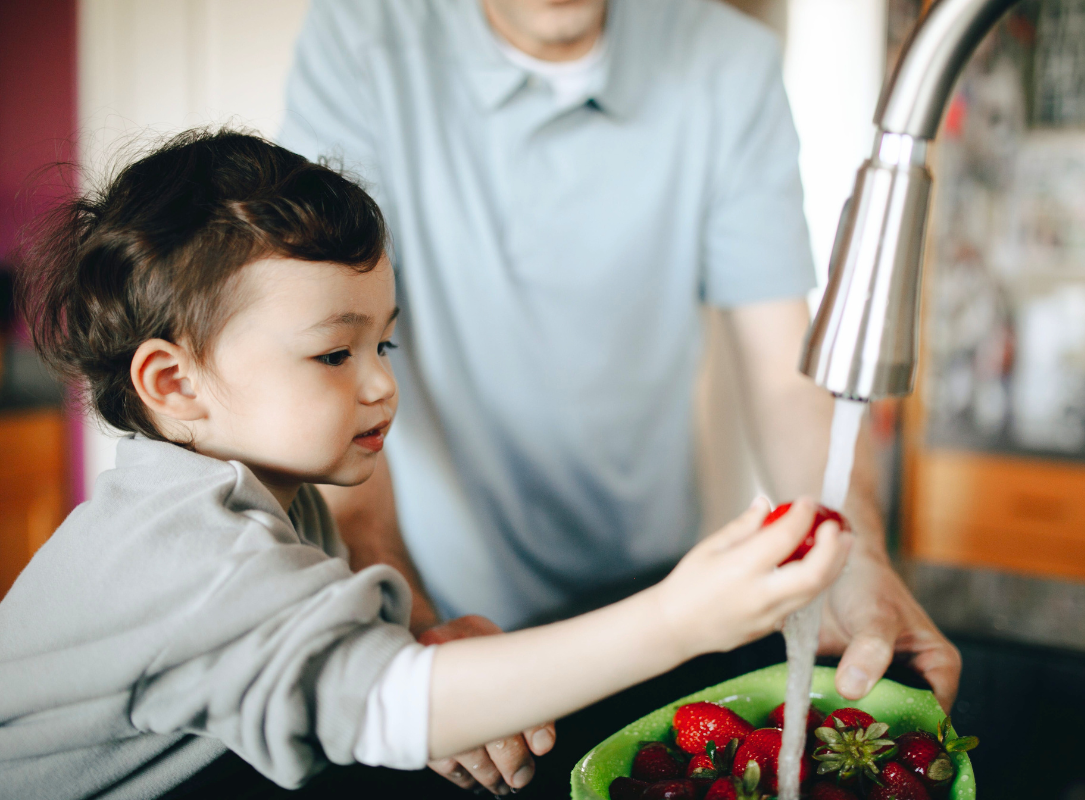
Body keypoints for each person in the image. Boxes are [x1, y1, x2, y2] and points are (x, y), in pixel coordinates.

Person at [0, 129, 852, 800]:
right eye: (334, 354)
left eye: (386, 340)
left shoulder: (260, 495)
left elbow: (327, 663)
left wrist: (431, 654)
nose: (381, 382)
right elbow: (383, 705)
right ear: (174, 383)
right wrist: (678, 621)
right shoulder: (184, 557)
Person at [280, 0, 962, 792]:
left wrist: (856, 556)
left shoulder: (727, 61)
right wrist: (406, 616)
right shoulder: (360, 39)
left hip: (658, 590)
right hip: (444, 604)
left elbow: (785, 375)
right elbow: (327, 356)